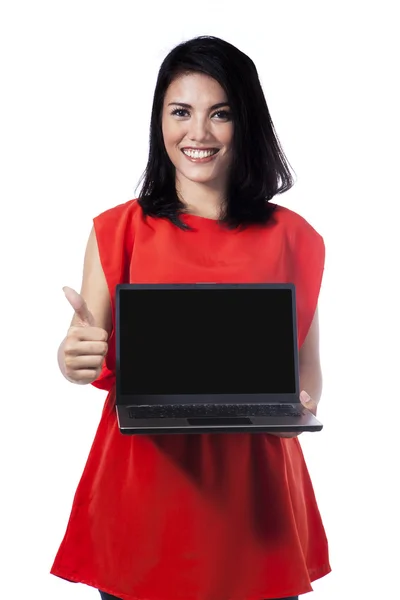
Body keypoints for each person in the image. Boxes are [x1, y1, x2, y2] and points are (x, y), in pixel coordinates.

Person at [51, 35, 331, 600]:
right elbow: (87, 345)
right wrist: (71, 358)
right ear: (159, 121)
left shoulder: (293, 237)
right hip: (144, 496)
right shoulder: (118, 228)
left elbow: (308, 375)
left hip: (252, 507)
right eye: (180, 112)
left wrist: (297, 409)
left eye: (219, 114)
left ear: (245, 122)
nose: (197, 133)